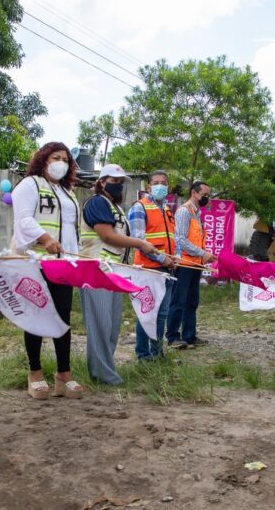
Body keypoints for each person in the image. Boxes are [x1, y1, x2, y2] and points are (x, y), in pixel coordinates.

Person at [11, 142, 84, 399]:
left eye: (65, 159)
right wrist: (44, 238)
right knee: (36, 314)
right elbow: (23, 219)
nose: (61, 163)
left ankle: (64, 374)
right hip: (36, 262)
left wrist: (76, 258)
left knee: (62, 316)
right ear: (44, 159)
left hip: (63, 264)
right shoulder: (30, 184)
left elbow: (71, 229)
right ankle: (35, 374)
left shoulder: (68, 192)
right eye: (56, 157)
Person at [79, 164, 158, 384]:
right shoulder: (97, 203)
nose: (118, 185)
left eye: (121, 182)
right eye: (114, 181)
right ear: (102, 182)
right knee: (100, 327)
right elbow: (107, 236)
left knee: (111, 326)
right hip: (96, 271)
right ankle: (102, 375)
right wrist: (141, 244)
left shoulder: (115, 207)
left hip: (113, 272)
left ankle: (106, 370)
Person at [127, 170, 176, 361]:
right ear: (148, 187)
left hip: (167, 269)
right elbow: (139, 241)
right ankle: (144, 355)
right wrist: (162, 258)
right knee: (147, 314)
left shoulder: (167, 210)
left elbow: (172, 239)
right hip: (148, 269)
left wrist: (175, 257)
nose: (160, 186)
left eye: (164, 182)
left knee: (162, 314)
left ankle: (157, 353)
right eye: (156, 182)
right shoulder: (140, 208)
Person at [166, 181, 216, 349]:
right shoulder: (184, 212)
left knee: (192, 301)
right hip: (185, 263)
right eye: (205, 195)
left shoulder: (197, 213)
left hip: (195, 264)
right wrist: (203, 254)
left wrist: (203, 256)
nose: (207, 198)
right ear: (194, 193)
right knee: (178, 301)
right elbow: (180, 239)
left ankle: (189, 335)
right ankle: (173, 337)